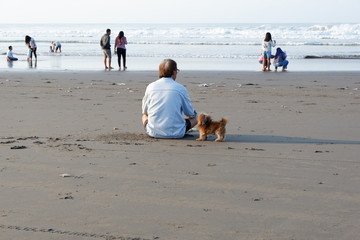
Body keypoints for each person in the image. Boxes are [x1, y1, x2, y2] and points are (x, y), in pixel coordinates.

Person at [142, 59, 198, 138]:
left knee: (144, 116)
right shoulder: (180, 88)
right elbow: (190, 113)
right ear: (174, 72)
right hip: (177, 133)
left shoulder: (150, 87)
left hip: (153, 132)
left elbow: (145, 111)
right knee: (196, 118)